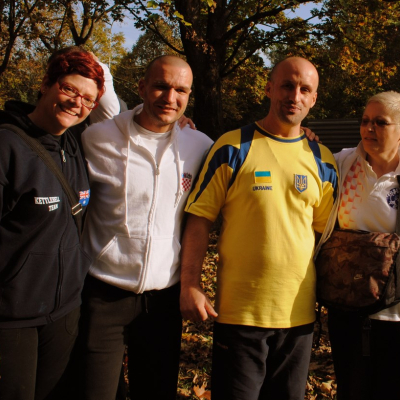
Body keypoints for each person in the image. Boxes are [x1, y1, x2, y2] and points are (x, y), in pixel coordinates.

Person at [180, 56, 339, 400]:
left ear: (313, 99)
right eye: (287, 85)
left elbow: (324, 236)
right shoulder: (232, 146)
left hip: (298, 317)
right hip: (240, 314)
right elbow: (200, 219)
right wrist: (190, 283)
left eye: (305, 90)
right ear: (269, 88)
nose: (294, 96)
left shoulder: (323, 159)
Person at [79, 55, 213, 400]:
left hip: (163, 299)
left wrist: (300, 134)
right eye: (161, 86)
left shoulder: (199, 146)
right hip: (103, 293)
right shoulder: (97, 139)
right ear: (141, 88)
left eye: (181, 90)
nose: (170, 98)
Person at [0, 48, 106, 400]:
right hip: (12, 319)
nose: (77, 103)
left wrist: (179, 122)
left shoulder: (75, 144)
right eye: (69, 89)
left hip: (64, 313)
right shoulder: (7, 146)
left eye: (88, 99)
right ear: (46, 84)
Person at [314, 91, 400, 400]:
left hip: (395, 313)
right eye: (365, 121)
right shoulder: (342, 163)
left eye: (381, 122)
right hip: (347, 307)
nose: (369, 129)